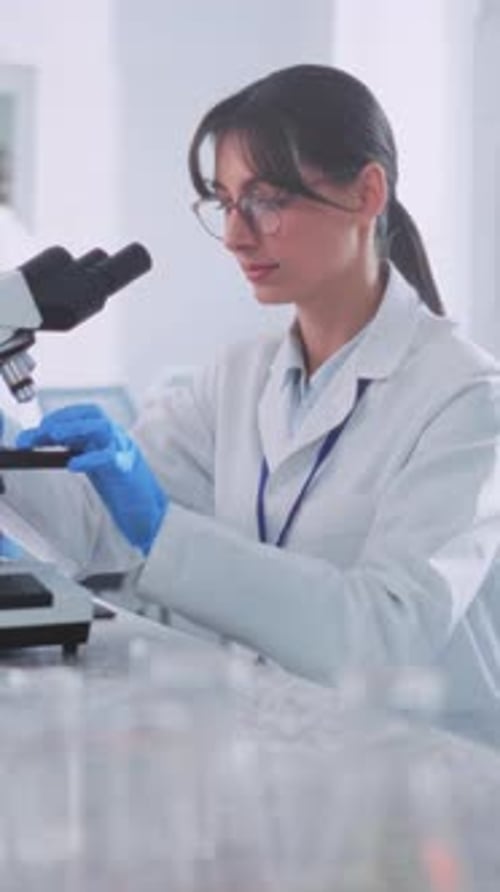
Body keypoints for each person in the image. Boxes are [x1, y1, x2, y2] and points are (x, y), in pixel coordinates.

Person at [2, 64, 500, 725]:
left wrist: (162, 528)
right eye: (226, 202)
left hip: (424, 777)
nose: (237, 235)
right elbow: (89, 528)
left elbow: (385, 638)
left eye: (268, 200)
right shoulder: (235, 380)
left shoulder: (466, 398)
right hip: (280, 752)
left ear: (366, 193)